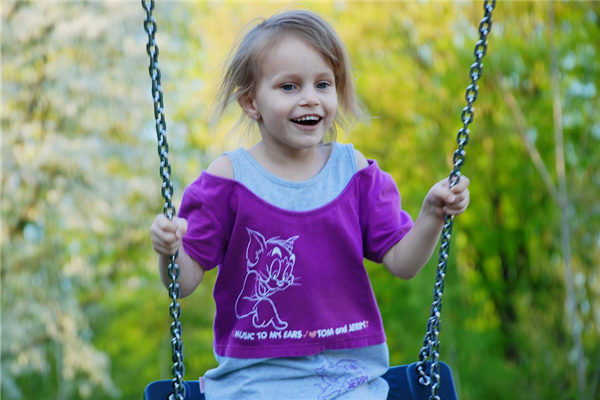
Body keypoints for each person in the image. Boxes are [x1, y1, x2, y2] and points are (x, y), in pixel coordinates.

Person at [150, 9, 469, 400]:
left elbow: (403, 263)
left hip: (347, 379)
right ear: (250, 101)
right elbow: (183, 283)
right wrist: (170, 250)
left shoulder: (353, 173)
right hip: (256, 382)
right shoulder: (229, 181)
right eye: (289, 87)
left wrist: (432, 214)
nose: (310, 99)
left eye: (323, 84)